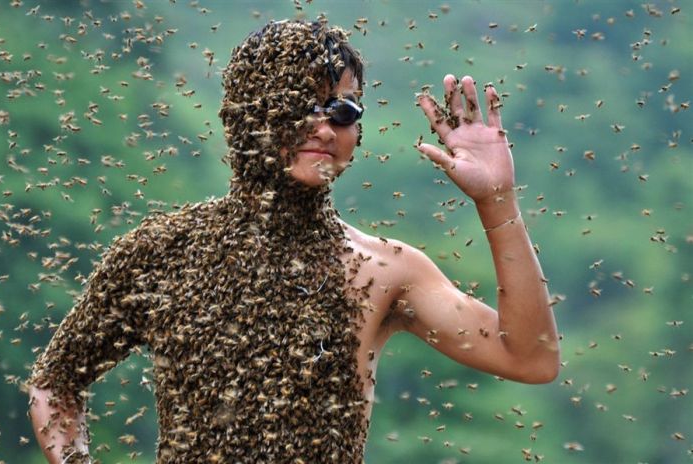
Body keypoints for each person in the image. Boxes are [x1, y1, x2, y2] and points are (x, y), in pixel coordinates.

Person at [27, 19, 560, 463]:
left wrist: (497, 201)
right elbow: (56, 384)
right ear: (243, 116)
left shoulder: (384, 271)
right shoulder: (163, 251)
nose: (324, 126)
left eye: (343, 109)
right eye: (296, 102)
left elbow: (530, 358)